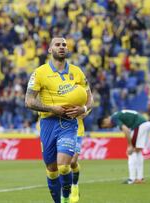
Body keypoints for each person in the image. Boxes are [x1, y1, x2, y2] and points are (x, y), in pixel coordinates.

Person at [25, 37, 93, 203]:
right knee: (52, 169)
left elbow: (90, 98)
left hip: (69, 123)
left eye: (64, 45)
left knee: (64, 166)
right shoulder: (39, 73)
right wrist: (52, 108)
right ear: (50, 50)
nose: (62, 47)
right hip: (48, 123)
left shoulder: (77, 72)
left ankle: (66, 197)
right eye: (57, 44)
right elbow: (29, 101)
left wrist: (83, 109)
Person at [98, 109, 150, 184]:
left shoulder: (114, 118)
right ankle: (140, 178)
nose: (108, 127)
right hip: (145, 124)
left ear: (105, 120)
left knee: (131, 152)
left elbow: (126, 130)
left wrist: (130, 145)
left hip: (139, 125)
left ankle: (131, 179)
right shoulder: (117, 115)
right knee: (138, 151)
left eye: (106, 126)